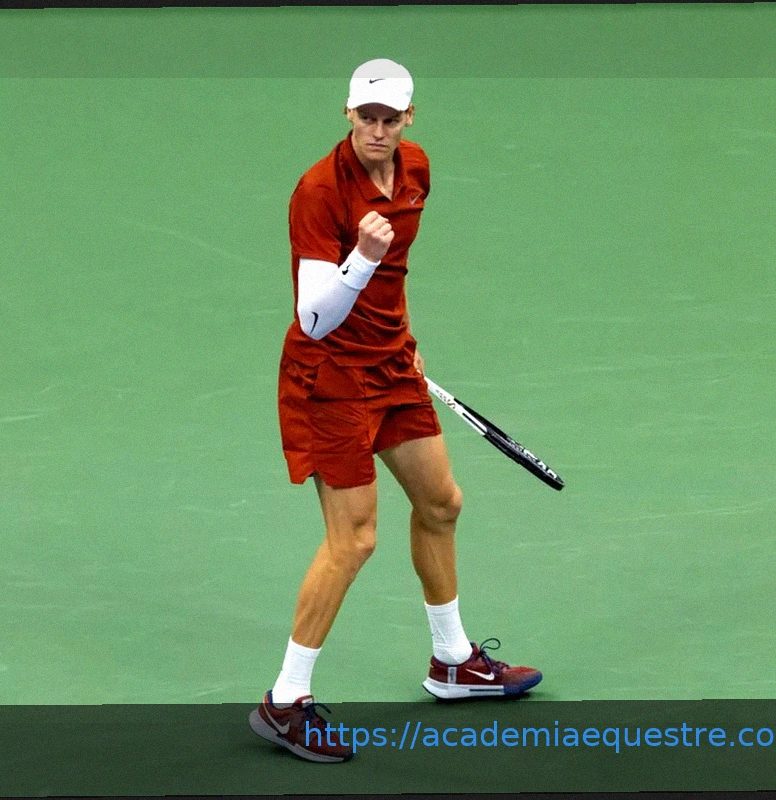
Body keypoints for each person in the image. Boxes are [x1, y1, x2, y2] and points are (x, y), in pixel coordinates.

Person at [248, 58, 542, 764]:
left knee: (440, 502)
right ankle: (284, 702)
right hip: (329, 380)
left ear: (409, 117)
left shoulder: (416, 170)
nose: (377, 130)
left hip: (391, 367)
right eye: (366, 117)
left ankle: (452, 662)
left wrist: (401, 339)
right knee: (352, 540)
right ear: (347, 113)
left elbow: (396, 276)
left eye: (389, 118)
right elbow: (313, 318)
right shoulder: (319, 192)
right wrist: (360, 257)